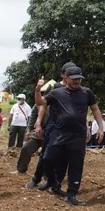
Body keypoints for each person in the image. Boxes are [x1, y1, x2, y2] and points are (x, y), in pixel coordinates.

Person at [34, 66, 104, 206]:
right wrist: (37, 90)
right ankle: (52, 182)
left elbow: (95, 109)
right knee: (48, 158)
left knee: (76, 164)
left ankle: (72, 193)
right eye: (74, 79)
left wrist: (100, 128)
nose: (77, 81)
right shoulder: (57, 93)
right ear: (66, 78)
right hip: (59, 133)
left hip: (78, 135)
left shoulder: (86, 93)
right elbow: (40, 102)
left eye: (79, 79)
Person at [27, 62, 76, 190]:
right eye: (68, 73)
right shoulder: (55, 87)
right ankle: (36, 178)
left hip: (68, 128)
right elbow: (44, 105)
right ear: (63, 75)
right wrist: (38, 123)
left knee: (64, 157)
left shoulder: (77, 89)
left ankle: (54, 183)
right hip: (53, 126)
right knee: (45, 154)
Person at [16, 82, 54, 174]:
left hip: (53, 134)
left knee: (49, 155)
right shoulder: (38, 104)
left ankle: (49, 175)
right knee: (26, 148)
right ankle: (21, 169)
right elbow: (32, 117)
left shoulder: (58, 105)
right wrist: (29, 130)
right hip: (38, 132)